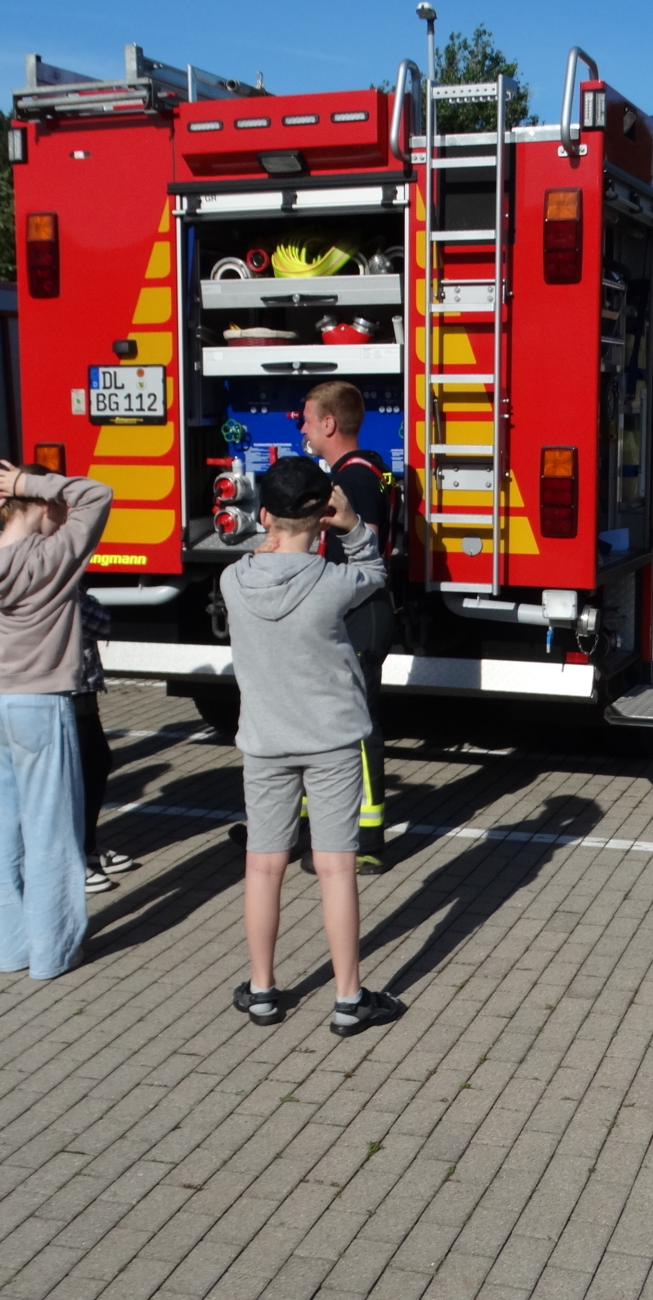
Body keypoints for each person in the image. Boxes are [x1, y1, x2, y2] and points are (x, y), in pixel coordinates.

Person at [220, 456, 406, 1037]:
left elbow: (261, 548)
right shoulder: (332, 584)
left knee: (263, 867)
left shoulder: (232, 581)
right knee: (335, 869)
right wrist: (349, 525)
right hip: (330, 742)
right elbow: (374, 569)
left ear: (266, 513)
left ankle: (262, 991)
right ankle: (350, 1000)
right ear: (323, 513)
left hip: (265, 743)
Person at [0, 461, 113, 980]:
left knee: (5, 834)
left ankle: (14, 949)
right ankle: (52, 952)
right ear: (44, 504)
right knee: (51, 835)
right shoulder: (53, 557)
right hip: (42, 704)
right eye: (56, 507)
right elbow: (98, 495)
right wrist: (28, 484)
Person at [296, 379, 398, 874]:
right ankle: (312, 833)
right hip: (362, 614)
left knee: (358, 733)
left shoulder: (353, 479)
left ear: (329, 424)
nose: (303, 428)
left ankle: (366, 841)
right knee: (327, 726)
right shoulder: (371, 468)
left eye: (308, 419)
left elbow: (366, 552)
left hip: (359, 617)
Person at [73, 589, 136, 895]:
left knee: (96, 762)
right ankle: (69, 861)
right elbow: (98, 620)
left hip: (80, 687)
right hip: (63, 687)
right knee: (74, 776)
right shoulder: (51, 568)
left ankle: (84, 847)